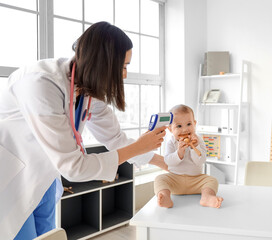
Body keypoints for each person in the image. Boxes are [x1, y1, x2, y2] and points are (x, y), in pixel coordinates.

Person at [0, 21, 167, 240]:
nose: (125, 75)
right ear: (103, 63)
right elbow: (73, 167)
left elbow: (115, 137)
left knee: (50, 236)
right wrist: (138, 147)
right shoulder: (40, 84)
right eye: (123, 67)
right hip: (13, 182)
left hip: (45, 178)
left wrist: (165, 163)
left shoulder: (87, 91)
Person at [154, 104, 223, 208]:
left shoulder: (199, 140)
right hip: (175, 180)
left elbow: (201, 161)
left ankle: (207, 197)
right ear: (170, 129)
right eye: (179, 126)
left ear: (194, 124)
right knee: (159, 179)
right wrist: (179, 152)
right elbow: (168, 161)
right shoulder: (171, 142)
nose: (185, 130)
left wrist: (194, 148)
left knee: (212, 180)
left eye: (189, 124)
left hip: (196, 180)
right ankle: (165, 197)